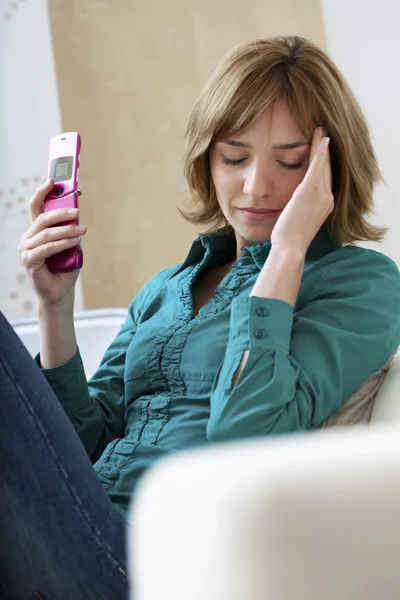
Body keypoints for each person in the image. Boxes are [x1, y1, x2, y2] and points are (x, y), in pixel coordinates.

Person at [1, 35, 399, 599]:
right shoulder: (164, 289)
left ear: (330, 172)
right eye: (234, 158)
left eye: (290, 163)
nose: (256, 186)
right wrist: (54, 306)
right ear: (206, 159)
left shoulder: (360, 284)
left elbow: (247, 440)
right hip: (68, 530)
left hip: (144, 564)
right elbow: (83, 446)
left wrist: (285, 253)